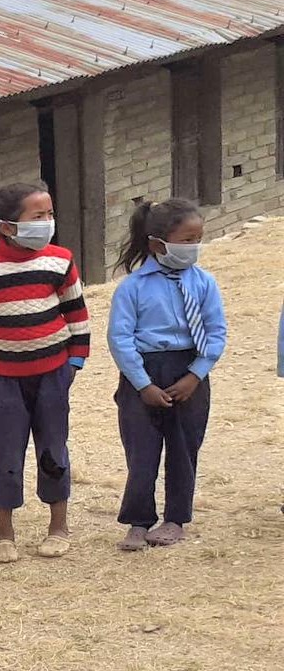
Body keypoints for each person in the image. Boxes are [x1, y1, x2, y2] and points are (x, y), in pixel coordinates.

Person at [0, 180, 90, 563]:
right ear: (7, 226)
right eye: (38, 216)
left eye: (49, 214)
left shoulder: (60, 260)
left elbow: (77, 315)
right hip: (5, 382)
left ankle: (58, 526)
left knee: (53, 449)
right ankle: (4, 532)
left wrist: (74, 363)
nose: (47, 221)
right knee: (7, 455)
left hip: (53, 375)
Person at [108, 197, 226, 551]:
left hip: (189, 371)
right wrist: (142, 384)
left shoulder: (205, 284)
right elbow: (120, 338)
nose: (194, 248)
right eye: (186, 240)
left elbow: (216, 332)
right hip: (142, 373)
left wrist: (196, 375)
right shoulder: (132, 287)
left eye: (198, 239)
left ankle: (175, 519)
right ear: (158, 244)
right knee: (141, 451)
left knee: (184, 447)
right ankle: (138, 520)